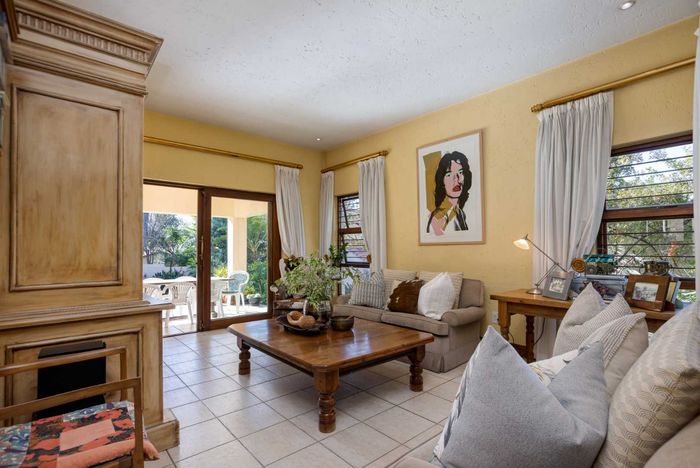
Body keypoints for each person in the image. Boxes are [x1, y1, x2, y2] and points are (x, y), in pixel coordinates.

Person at [427, 151, 472, 235]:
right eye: (449, 174)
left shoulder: (460, 213)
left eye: (460, 172)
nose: (457, 179)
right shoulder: (438, 217)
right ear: (442, 181)